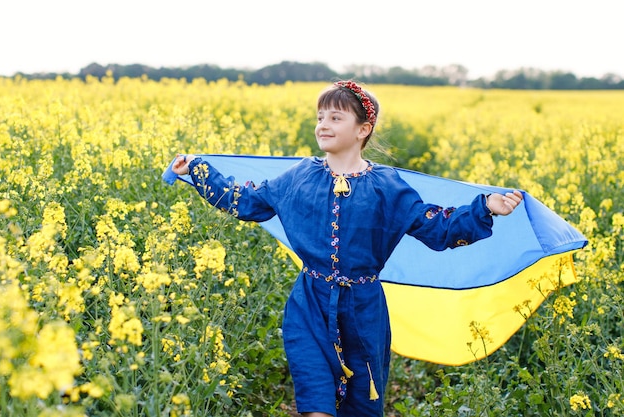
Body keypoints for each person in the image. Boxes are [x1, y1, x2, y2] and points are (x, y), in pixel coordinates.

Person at [170, 80, 523, 417]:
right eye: (320, 117)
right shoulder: (298, 177)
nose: (323, 125)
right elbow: (246, 201)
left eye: (335, 117)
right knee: (315, 401)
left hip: (364, 312)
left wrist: (486, 207)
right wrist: (198, 170)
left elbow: (437, 226)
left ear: (363, 129)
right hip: (309, 305)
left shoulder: (388, 187)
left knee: (361, 407)